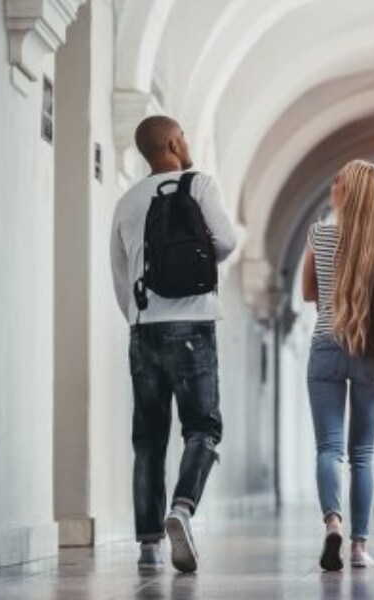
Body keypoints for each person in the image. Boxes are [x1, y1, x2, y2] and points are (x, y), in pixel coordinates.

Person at [110, 115, 239, 573]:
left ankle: (148, 546)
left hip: (143, 328)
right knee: (202, 427)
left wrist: (139, 319)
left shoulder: (126, 201)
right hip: (194, 323)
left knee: (148, 438)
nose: (185, 142)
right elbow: (228, 241)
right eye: (182, 135)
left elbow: (120, 276)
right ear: (172, 143)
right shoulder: (198, 185)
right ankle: (182, 509)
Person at [301, 159, 374, 571]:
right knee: (363, 454)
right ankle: (358, 547)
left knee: (329, 449)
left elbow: (308, 293)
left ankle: (333, 524)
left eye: (337, 179)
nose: (332, 182)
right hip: (370, 352)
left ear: (348, 192)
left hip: (326, 344)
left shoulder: (318, 234)